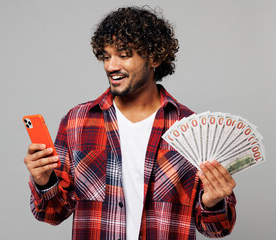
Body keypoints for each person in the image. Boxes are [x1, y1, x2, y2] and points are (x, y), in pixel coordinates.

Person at [24, 6, 236, 240]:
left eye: (123, 55)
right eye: (106, 56)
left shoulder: (193, 129)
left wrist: (213, 202)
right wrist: (44, 182)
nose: (111, 66)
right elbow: (52, 214)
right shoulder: (77, 121)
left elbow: (217, 229)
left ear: (154, 58)